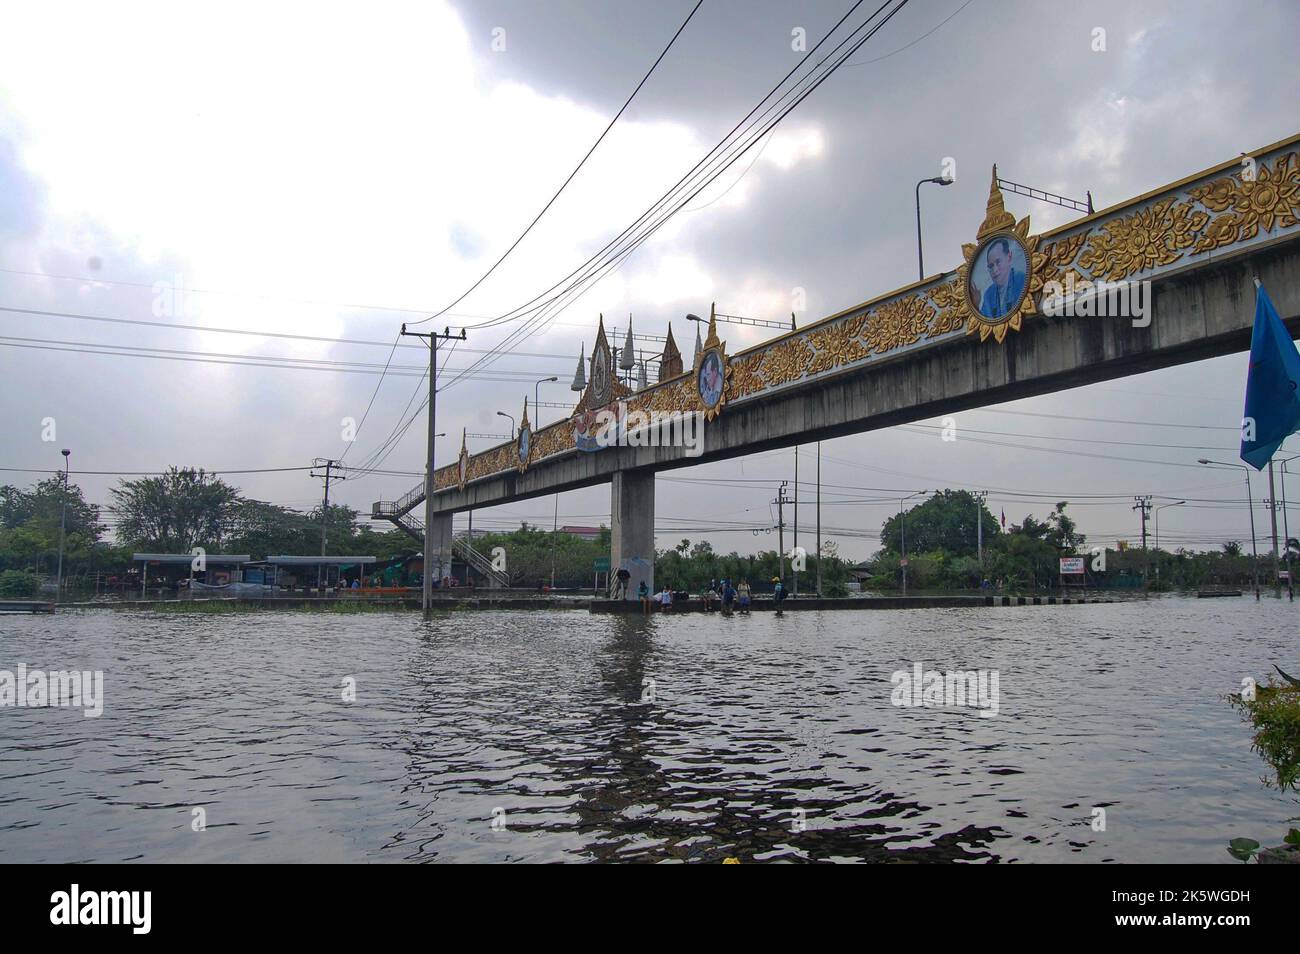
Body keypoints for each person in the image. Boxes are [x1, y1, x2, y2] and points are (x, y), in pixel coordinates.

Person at [979, 237, 1026, 319]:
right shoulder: (989, 294)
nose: (995, 270)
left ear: (1009, 257)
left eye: (998, 262)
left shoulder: (1022, 280)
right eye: (991, 266)